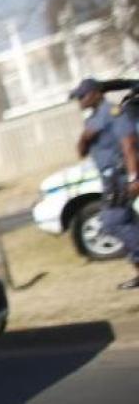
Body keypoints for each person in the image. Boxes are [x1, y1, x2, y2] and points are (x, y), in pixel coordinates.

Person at [72, 77, 139, 288]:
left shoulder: (113, 113)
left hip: (120, 177)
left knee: (113, 222)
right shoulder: (91, 120)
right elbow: (81, 152)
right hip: (109, 180)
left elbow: (129, 146)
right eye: (78, 97)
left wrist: (133, 177)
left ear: (96, 94)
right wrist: (84, 136)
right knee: (125, 222)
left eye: (83, 96)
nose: (80, 100)